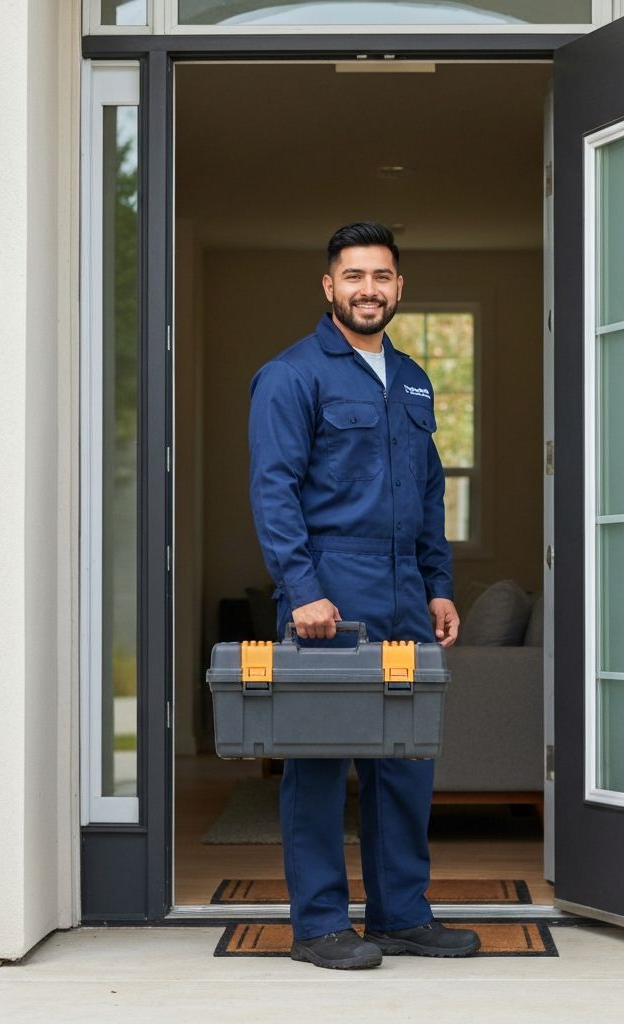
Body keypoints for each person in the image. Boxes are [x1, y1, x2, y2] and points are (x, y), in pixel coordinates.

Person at [248, 222, 480, 970]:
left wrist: (439, 586)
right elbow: (274, 491)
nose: (368, 290)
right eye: (354, 277)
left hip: (405, 596)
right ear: (330, 287)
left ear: (398, 288)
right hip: (329, 597)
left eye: (381, 276)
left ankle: (400, 915)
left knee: (406, 762)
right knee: (317, 761)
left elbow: (429, 490)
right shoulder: (292, 375)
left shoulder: (412, 378)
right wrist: (303, 590)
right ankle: (318, 925)